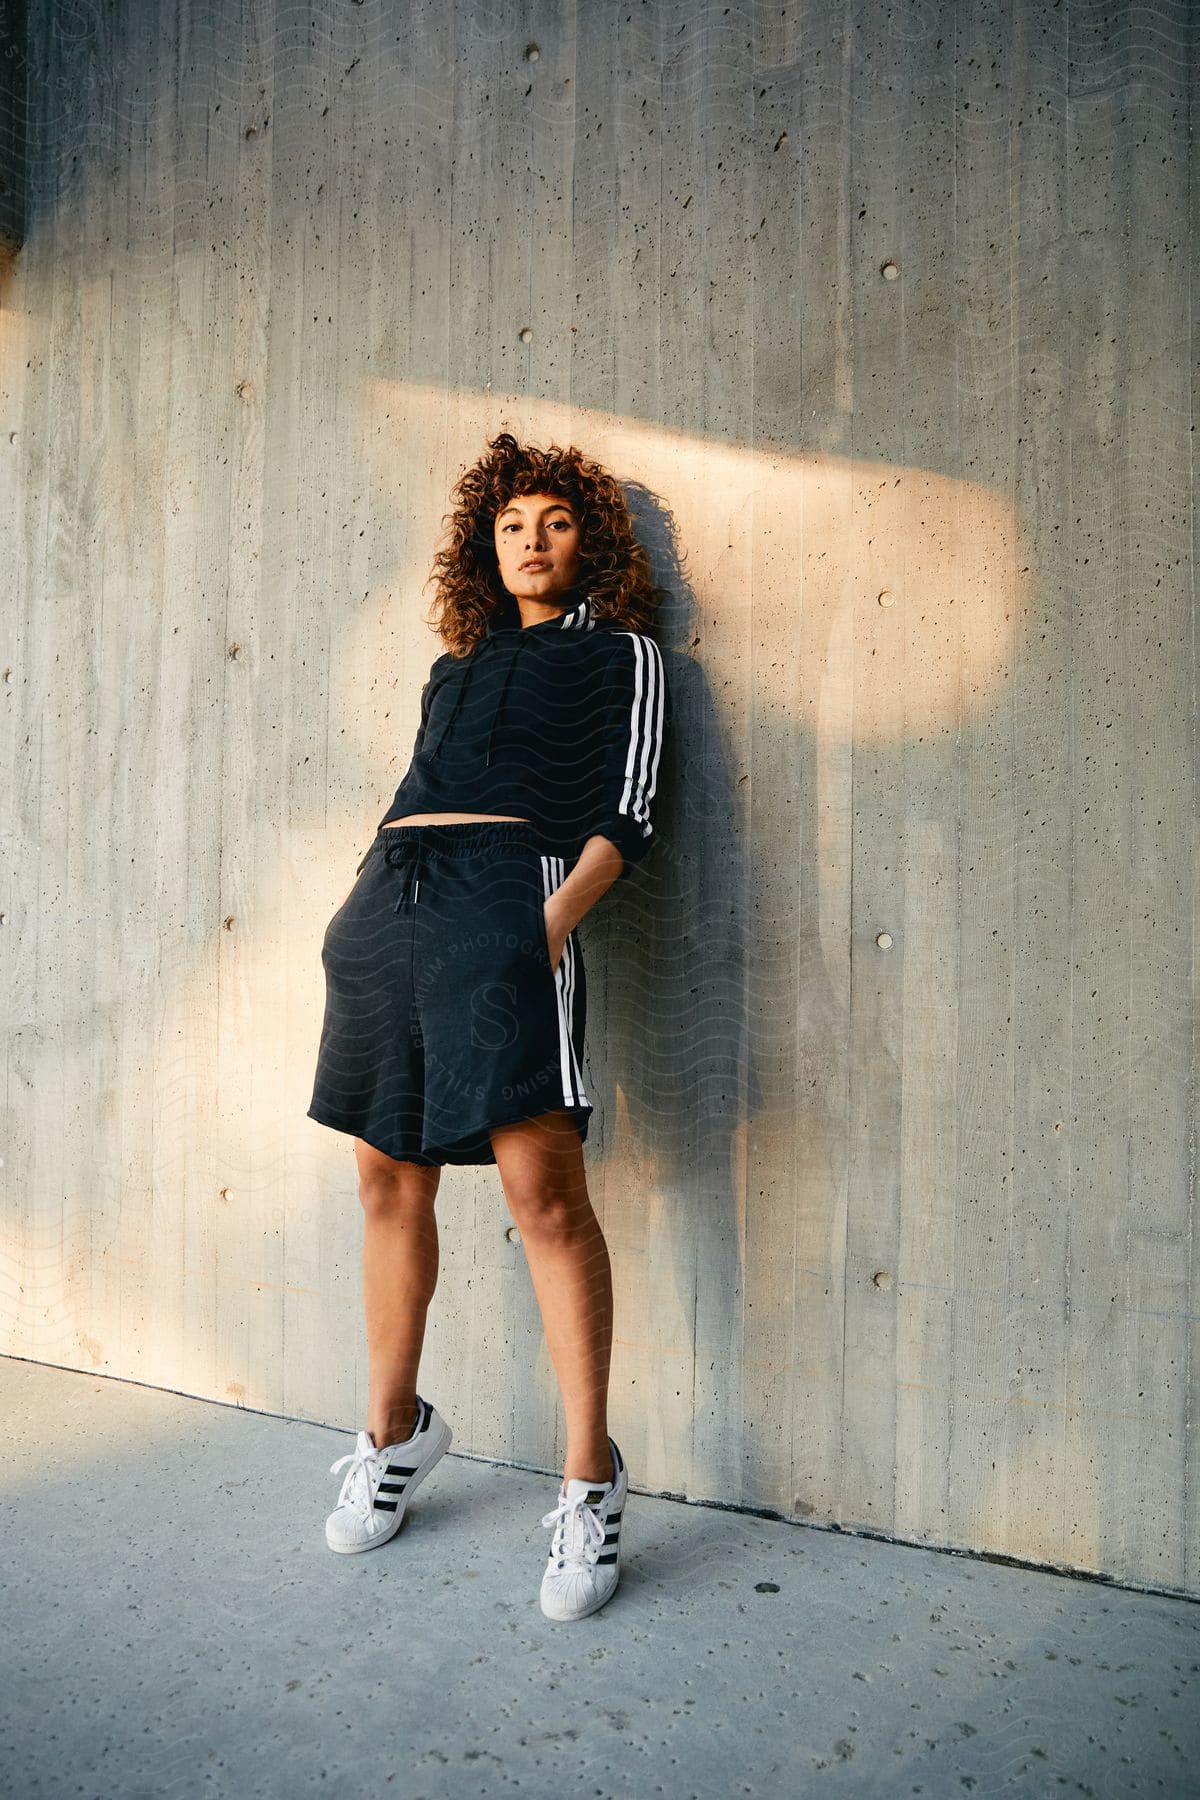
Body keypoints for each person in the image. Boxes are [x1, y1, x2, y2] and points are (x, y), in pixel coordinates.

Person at [307, 431, 671, 1622]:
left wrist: (543, 926)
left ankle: (588, 1485)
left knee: (542, 1197)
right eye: (512, 522)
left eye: (556, 520)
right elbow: (411, 791)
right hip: (393, 906)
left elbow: (633, 808)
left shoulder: (625, 656)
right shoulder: (452, 666)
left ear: (592, 541)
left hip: (505, 906)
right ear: (487, 544)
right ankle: (394, 1434)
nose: (531, 537)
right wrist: (355, 910)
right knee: (385, 1184)